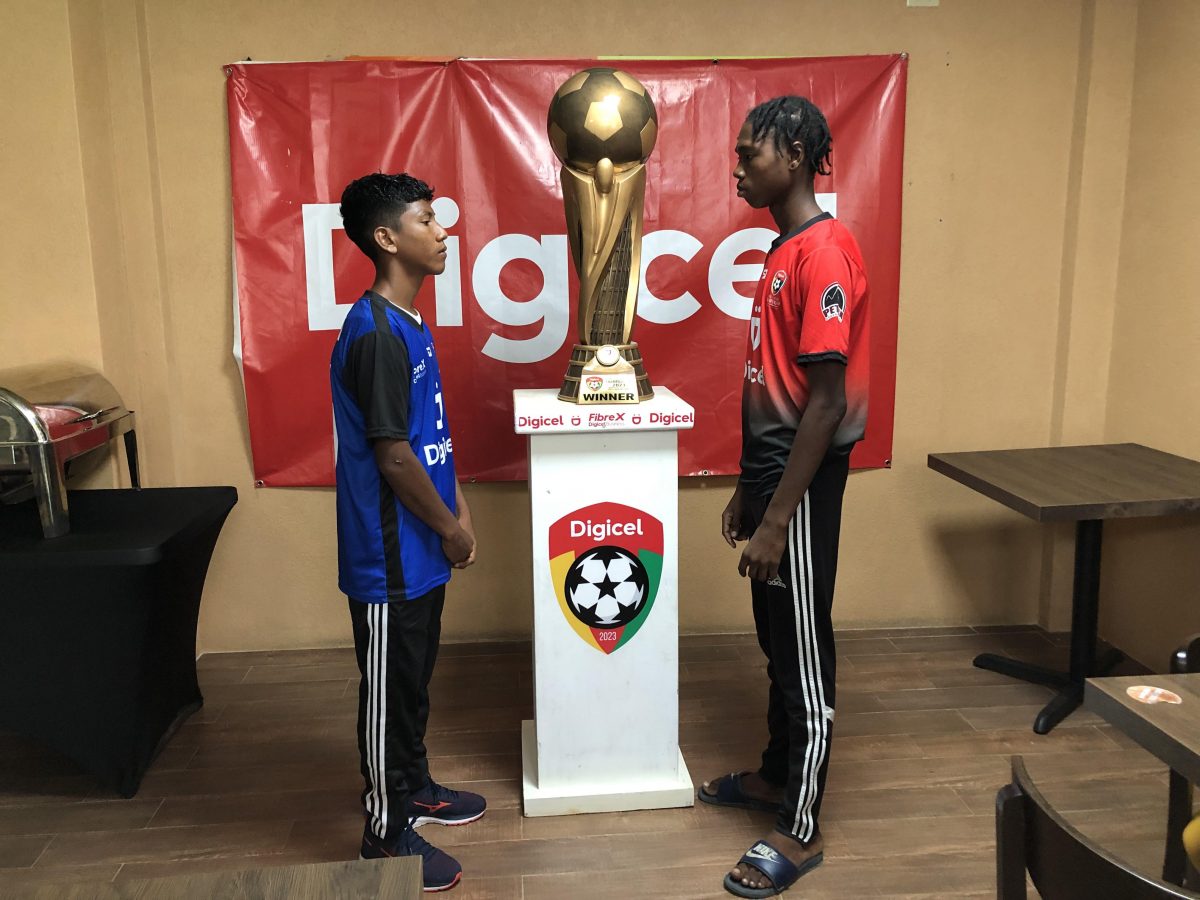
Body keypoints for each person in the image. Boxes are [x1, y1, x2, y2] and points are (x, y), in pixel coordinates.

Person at [699, 96, 870, 898]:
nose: (738, 167)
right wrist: (748, 483)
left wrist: (777, 516)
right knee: (776, 639)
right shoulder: (782, 246)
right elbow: (773, 381)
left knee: (803, 654)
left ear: (795, 154)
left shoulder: (826, 254)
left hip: (799, 493)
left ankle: (799, 828)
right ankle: (775, 774)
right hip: (771, 480)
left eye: (749, 154)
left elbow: (827, 405)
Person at [330, 172, 484, 893]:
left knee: (414, 680)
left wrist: (458, 512)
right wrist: (450, 528)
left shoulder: (411, 322)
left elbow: (426, 439)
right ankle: (384, 832)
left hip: (423, 546)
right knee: (388, 688)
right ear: (387, 239)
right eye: (428, 220)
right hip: (388, 554)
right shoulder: (377, 333)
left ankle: (415, 786)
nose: (442, 231)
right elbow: (391, 456)